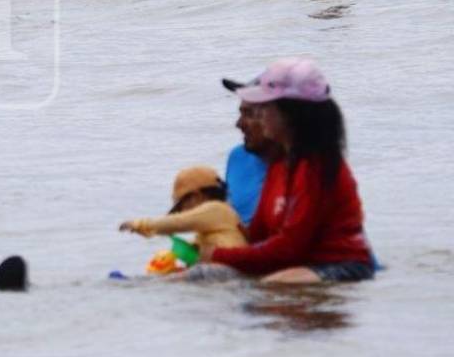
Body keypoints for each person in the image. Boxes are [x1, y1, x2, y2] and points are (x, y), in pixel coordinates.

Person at [201, 59, 374, 283]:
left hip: (339, 266)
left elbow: (289, 248)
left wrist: (217, 255)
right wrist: (209, 240)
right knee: (199, 275)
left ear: (290, 115)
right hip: (292, 263)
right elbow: (258, 236)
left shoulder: (316, 168)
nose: (260, 116)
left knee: (274, 284)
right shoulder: (279, 164)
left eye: (265, 109)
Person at [119, 166, 246, 258]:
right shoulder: (215, 219)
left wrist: (140, 224)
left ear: (196, 196)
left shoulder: (216, 209)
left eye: (181, 206)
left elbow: (179, 222)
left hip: (229, 268)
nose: (182, 212)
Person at [219, 78, 281, 225]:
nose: (239, 124)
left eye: (249, 114)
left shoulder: (308, 168)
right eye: (241, 113)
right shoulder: (238, 157)